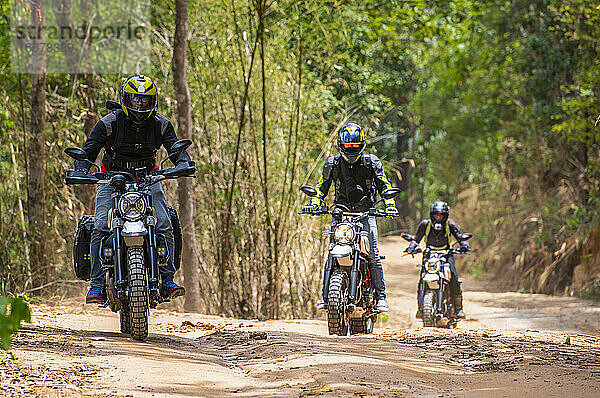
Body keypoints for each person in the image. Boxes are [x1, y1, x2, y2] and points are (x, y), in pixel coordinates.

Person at [75, 74, 191, 304]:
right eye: (135, 99)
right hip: (110, 179)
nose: (139, 104)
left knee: (164, 223)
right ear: (125, 99)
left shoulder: (161, 124)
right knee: (100, 225)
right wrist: (81, 167)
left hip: (149, 177)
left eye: (144, 100)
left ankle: (167, 278)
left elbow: (177, 151)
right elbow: (88, 151)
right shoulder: (110, 123)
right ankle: (96, 283)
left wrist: (183, 164)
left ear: (152, 101)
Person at [302, 122, 398, 312]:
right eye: (348, 146)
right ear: (341, 145)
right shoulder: (332, 164)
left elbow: (384, 185)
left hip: (366, 214)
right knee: (331, 253)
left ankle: (380, 297)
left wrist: (389, 205)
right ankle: (324, 297)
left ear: (361, 146)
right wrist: (314, 204)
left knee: (373, 255)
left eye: (355, 147)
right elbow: (321, 187)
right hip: (340, 214)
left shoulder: (372, 162)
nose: (351, 150)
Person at [405, 201, 469, 319]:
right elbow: (416, 239)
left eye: (441, 215)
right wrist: (410, 248)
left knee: (454, 277)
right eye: (436, 215)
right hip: (429, 255)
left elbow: (460, 237)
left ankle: (459, 309)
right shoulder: (425, 224)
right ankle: (421, 309)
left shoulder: (451, 225)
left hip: (446, 254)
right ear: (431, 215)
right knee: (422, 280)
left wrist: (464, 245)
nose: (438, 217)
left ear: (445, 216)